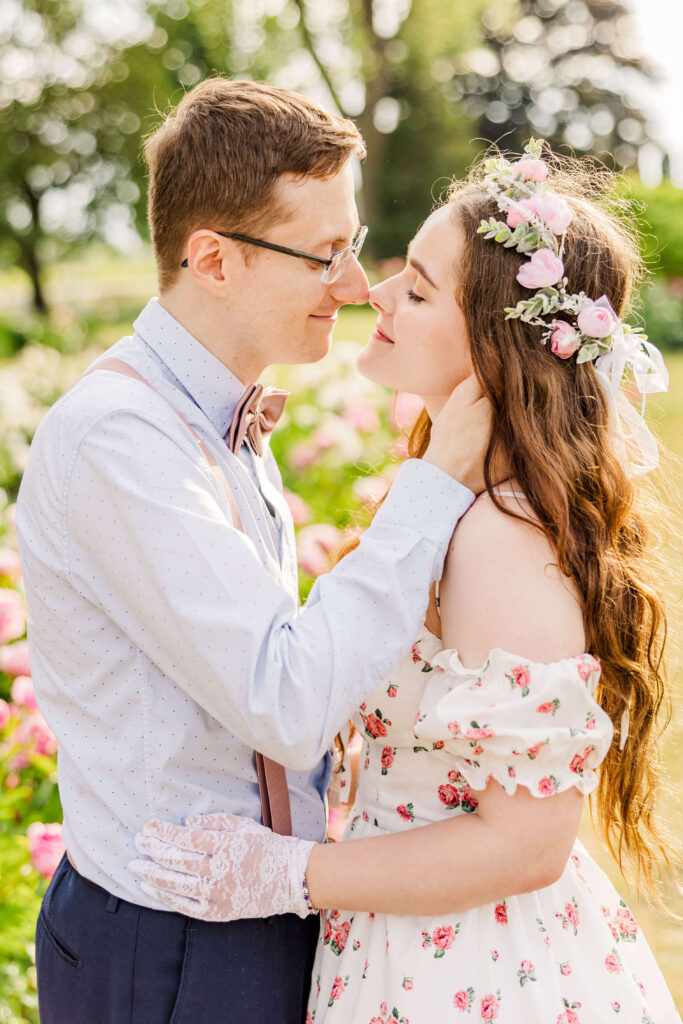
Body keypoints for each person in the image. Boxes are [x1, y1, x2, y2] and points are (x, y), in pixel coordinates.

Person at [131, 142, 681, 1024]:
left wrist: (287, 874)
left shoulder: (502, 538)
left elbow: (529, 845)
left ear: (495, 349)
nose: (373, 293)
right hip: (405, 941)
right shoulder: (459, 503)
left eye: (417, 290)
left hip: (473, 969)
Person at [15, 79, 493, 1024]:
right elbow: (287, 699)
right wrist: (434, 485)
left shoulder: (220, 411)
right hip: (170, 941)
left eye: (350, 247)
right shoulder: (122, 441)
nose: (356, 286)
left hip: (259, 905)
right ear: (213, 260)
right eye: (323, 254)